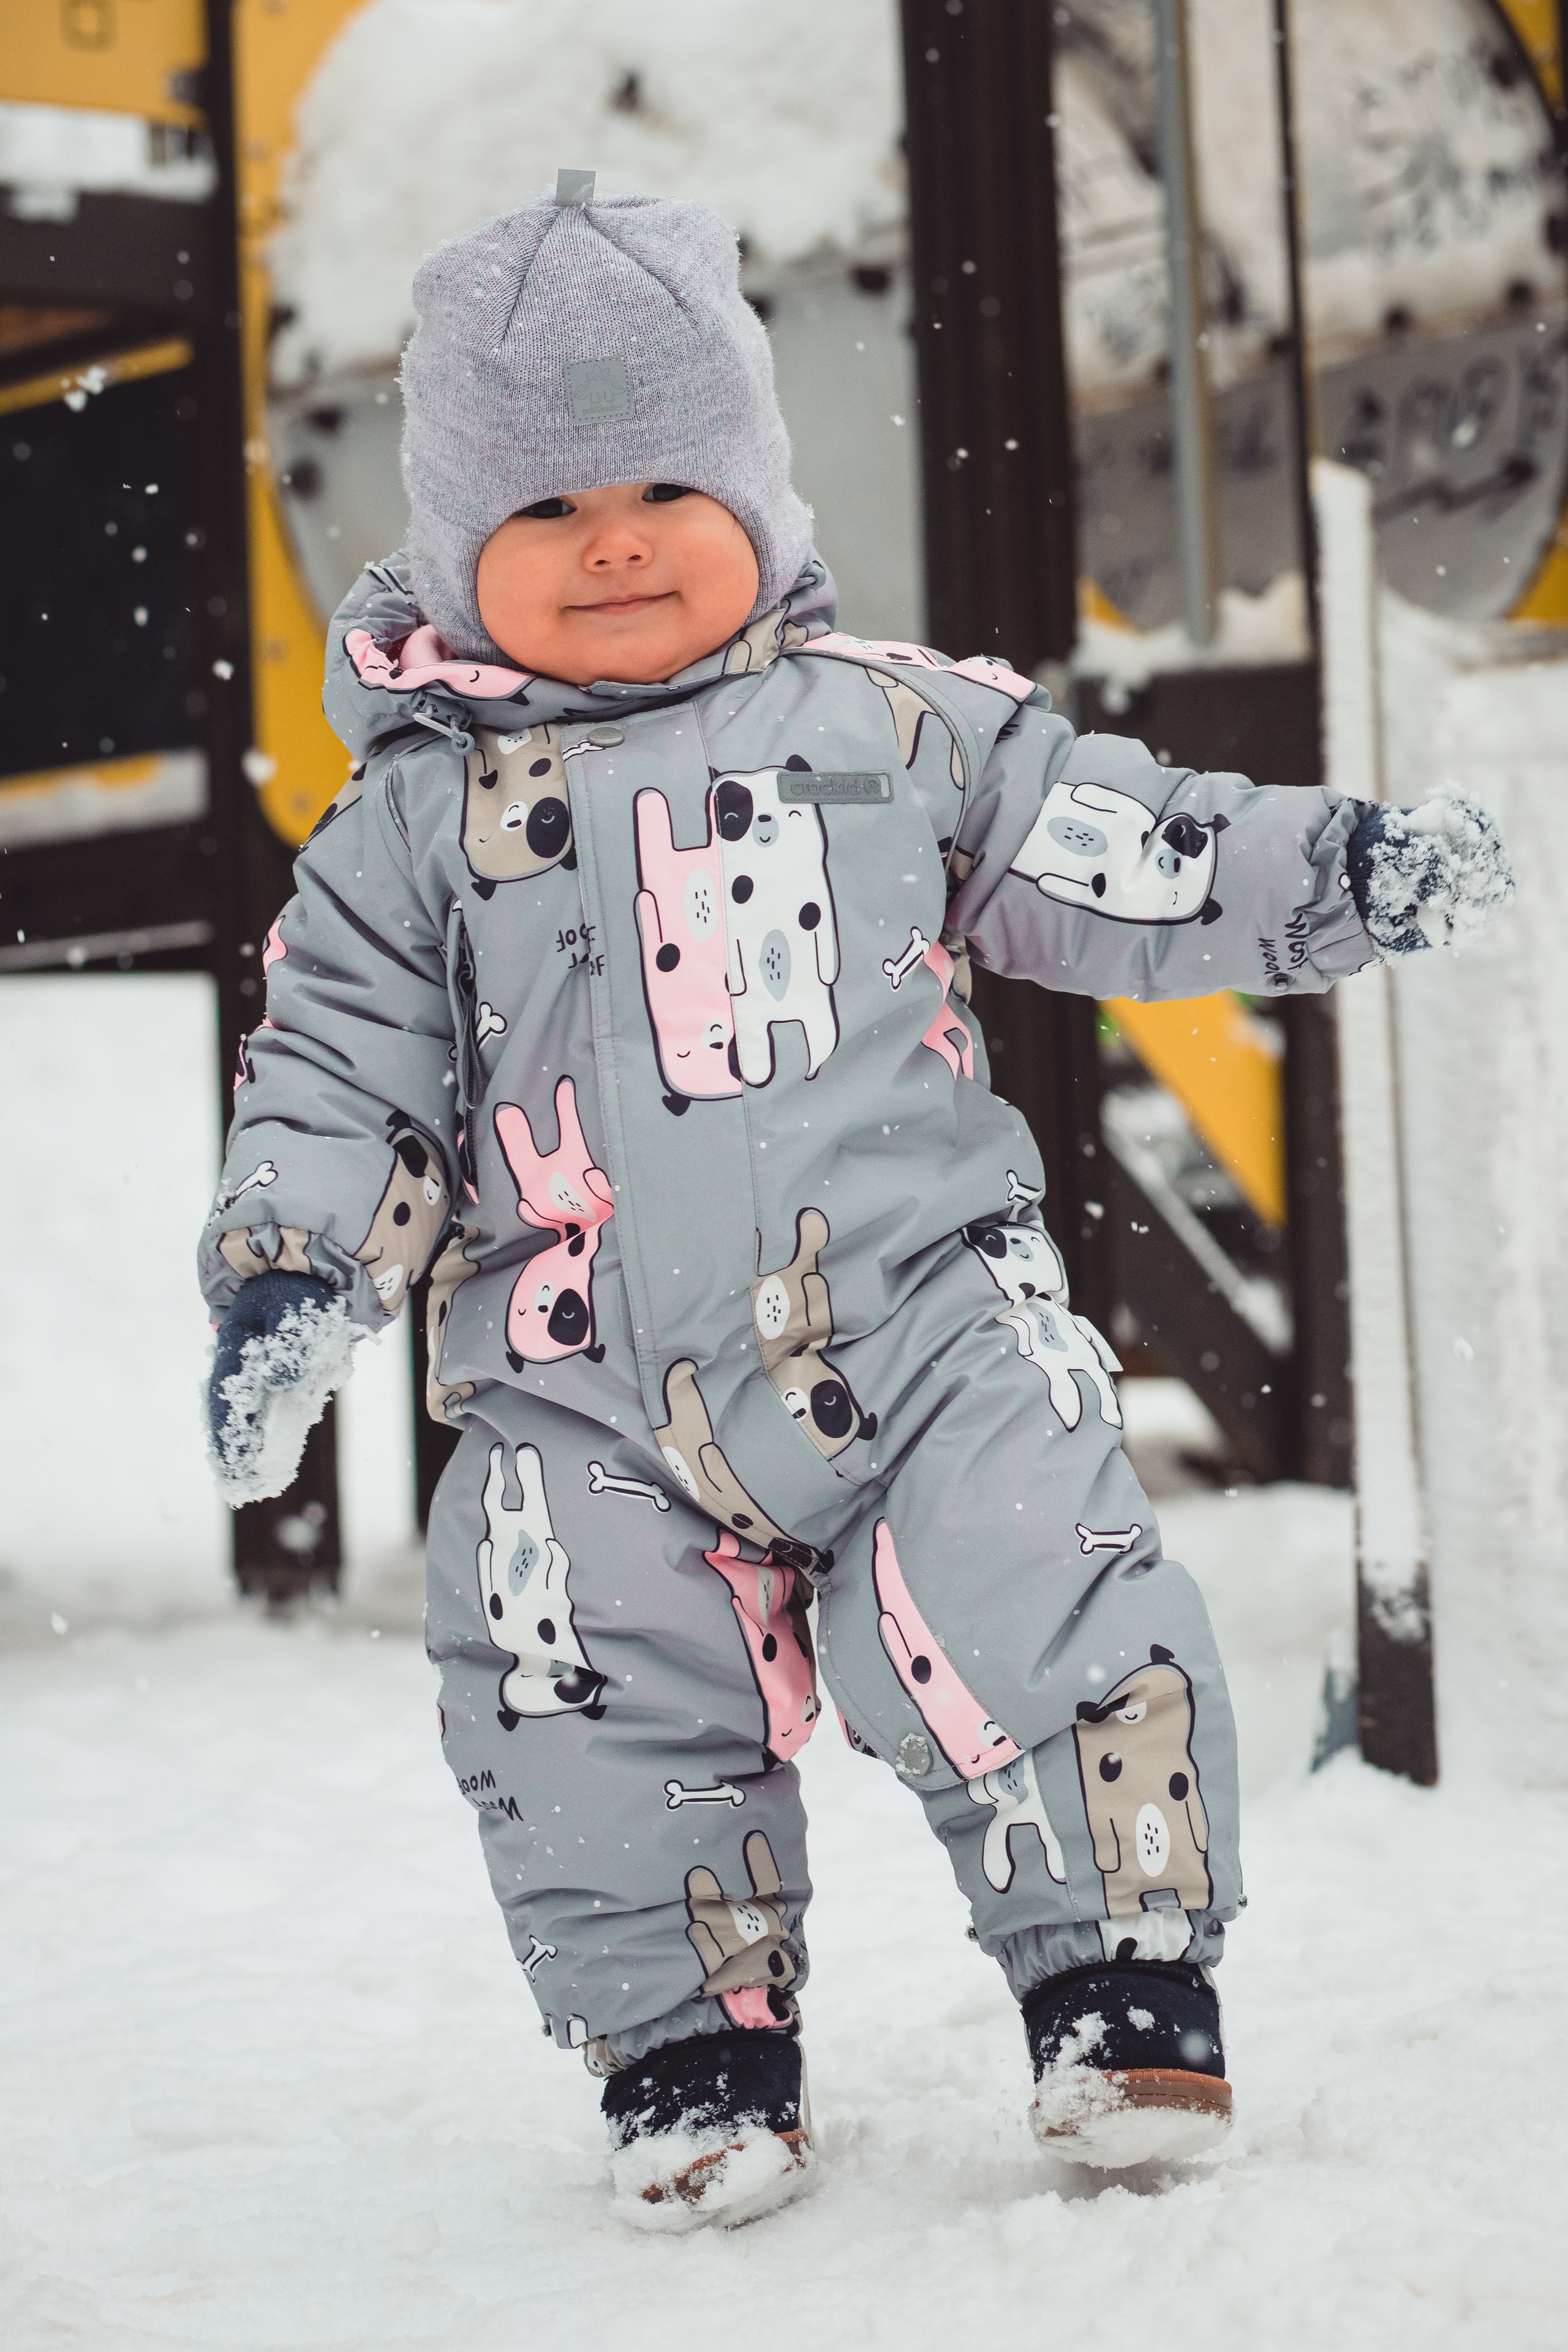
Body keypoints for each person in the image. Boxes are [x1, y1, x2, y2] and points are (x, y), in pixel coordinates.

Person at [200, 176, 1513, 2226]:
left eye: (660, 482)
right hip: (586, 1380)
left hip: (917, 1315)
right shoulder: (405, 834)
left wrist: (1338, 872)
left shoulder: (902, 729)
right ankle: (691, 2046)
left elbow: (1131, 843)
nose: (615, 539)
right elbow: (339, 1068)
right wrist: (294, 1275)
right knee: (569, 1665)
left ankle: (1121, 1988)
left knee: (1032, 1581)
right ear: (457, 556)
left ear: (756, 484)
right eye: (545, 512)